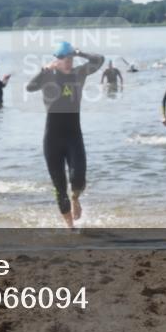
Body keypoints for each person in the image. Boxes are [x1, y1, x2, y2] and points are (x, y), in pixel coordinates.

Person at [26, 41, 104, 227]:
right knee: (59, 187)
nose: (68, 61)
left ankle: (75, 198)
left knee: (78, 179)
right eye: (64, 58)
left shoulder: (79, 73)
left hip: (73, 136)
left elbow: (100, 60)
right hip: (52, 138)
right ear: (56, 60)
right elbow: (30, 87)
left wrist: (79, 52)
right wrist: (44, 70)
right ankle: (70, 228)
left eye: (70, 58)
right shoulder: (49, 76)